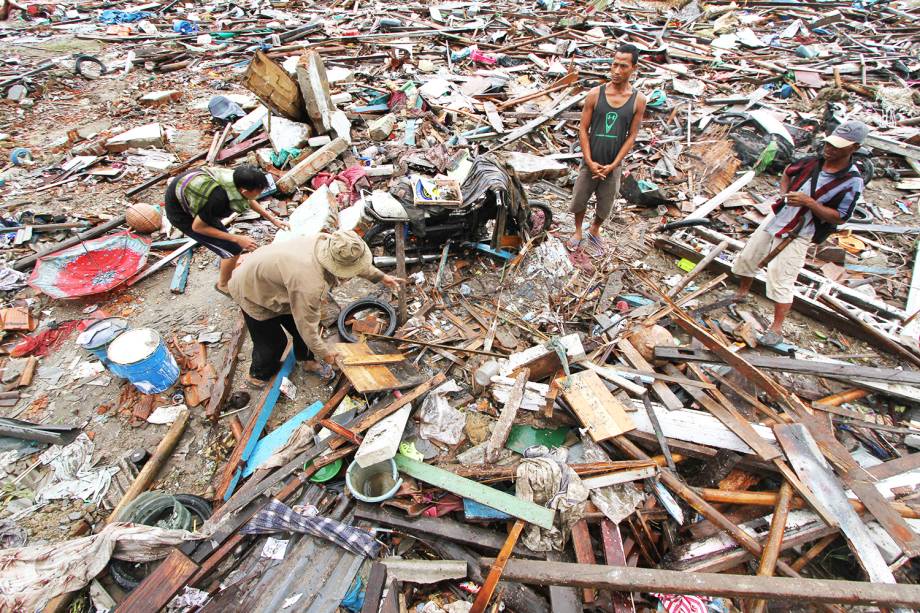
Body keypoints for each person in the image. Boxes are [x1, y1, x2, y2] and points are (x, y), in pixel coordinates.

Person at [732, 120, 868, 345]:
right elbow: (787, 173)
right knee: (749, 256)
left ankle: (776, 328)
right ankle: (742, 292)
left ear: (853, 149)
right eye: (829, 143)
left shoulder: (851, 181)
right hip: (778, 217)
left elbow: (840, 217)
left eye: (838, 147)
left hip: (801, 229)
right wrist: (784, 196)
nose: (830, 149)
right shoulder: (813, 161)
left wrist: (810, 203)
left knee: (782, 276)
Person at [228, 230, 404, 387]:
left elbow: (352, 262)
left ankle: (306, 360)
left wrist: (381, 276)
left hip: (278, 281)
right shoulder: (309, 284)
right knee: (274, 343)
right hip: (252, 291)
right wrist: (327, 354)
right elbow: (308, 327)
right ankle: (258, 374)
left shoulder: (327, 242)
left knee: (299, 330)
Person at [568, 43, 647, 253]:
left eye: (623, 66)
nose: (617, 71)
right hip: (591, 159)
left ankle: (594, 229)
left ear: (634, 69)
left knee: (606, 202)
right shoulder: (595, 94)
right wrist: (589, 160)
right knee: (580, 197)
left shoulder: (638, 100)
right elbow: (583, 129)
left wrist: (613, 164)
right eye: (614, 65)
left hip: (613, 162)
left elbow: (632, 136)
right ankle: (577, 231)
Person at [164, 165, 289, 295]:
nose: (259, 195)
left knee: (228, 242)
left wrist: (273, 219)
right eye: (258, 192)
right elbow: (198, 227)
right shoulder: (218, 199)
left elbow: (248, 199)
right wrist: (237, 238)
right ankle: (223, 285)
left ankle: (228, 266)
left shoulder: (236, 180)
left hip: (197, 202)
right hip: (182, 214)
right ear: (244, 190)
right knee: (232, 249)